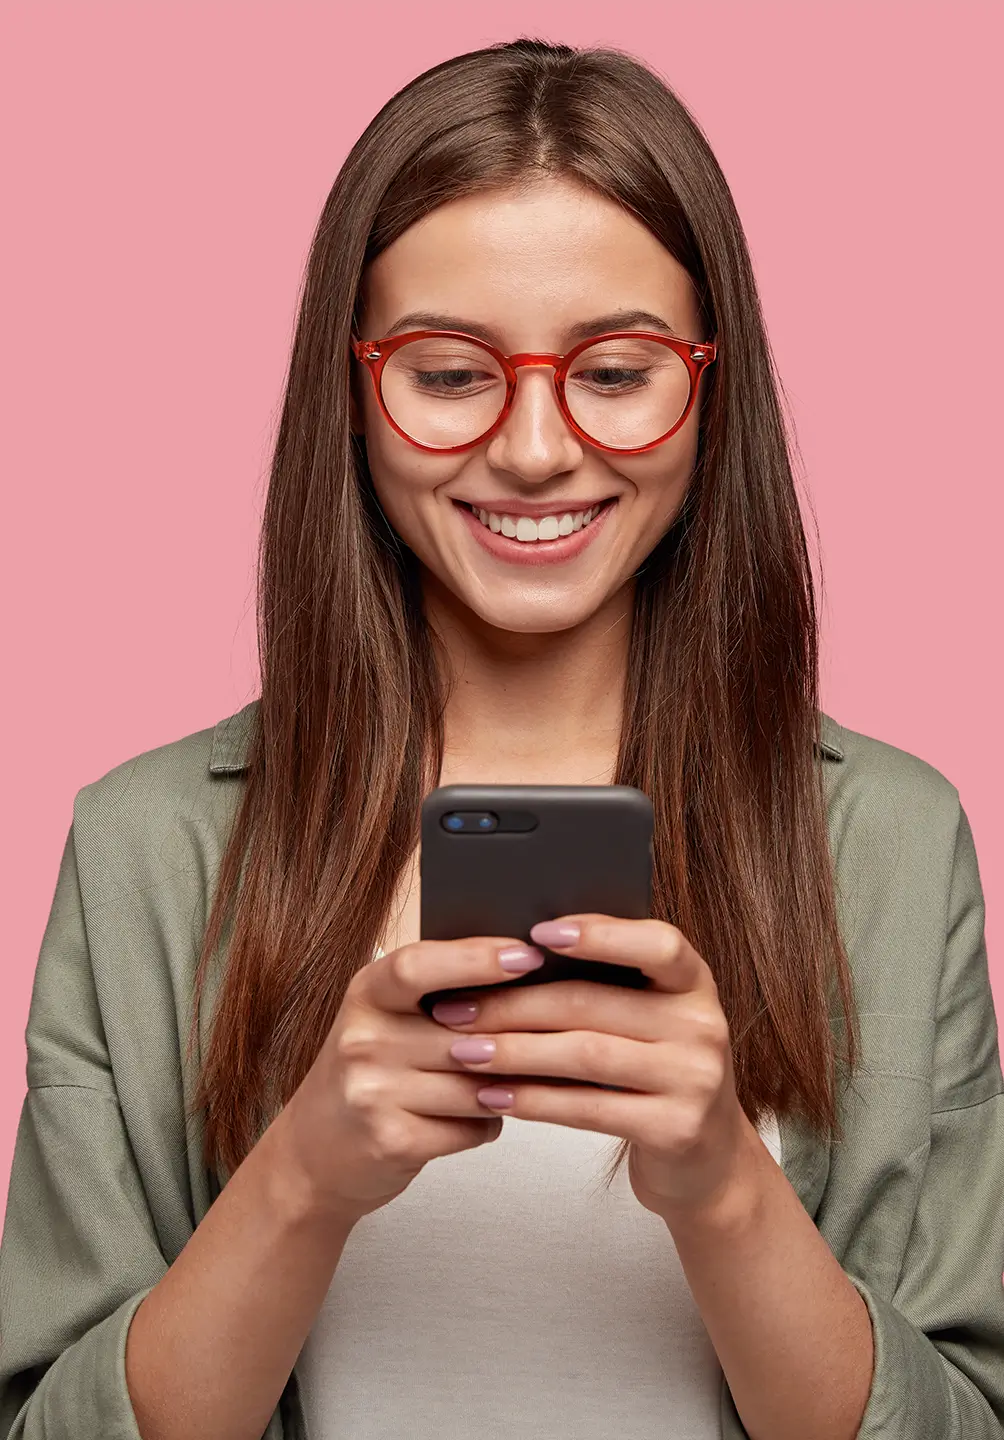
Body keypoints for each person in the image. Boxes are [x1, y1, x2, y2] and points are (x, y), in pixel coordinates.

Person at [2, 35, 1002, 1440]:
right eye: (451, 370)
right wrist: (304, 1177)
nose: (535, 448)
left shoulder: (893, 843)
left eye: (616, 369)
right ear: (355, 391)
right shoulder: (145, 848)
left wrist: (721, 1182)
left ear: (708, 390)